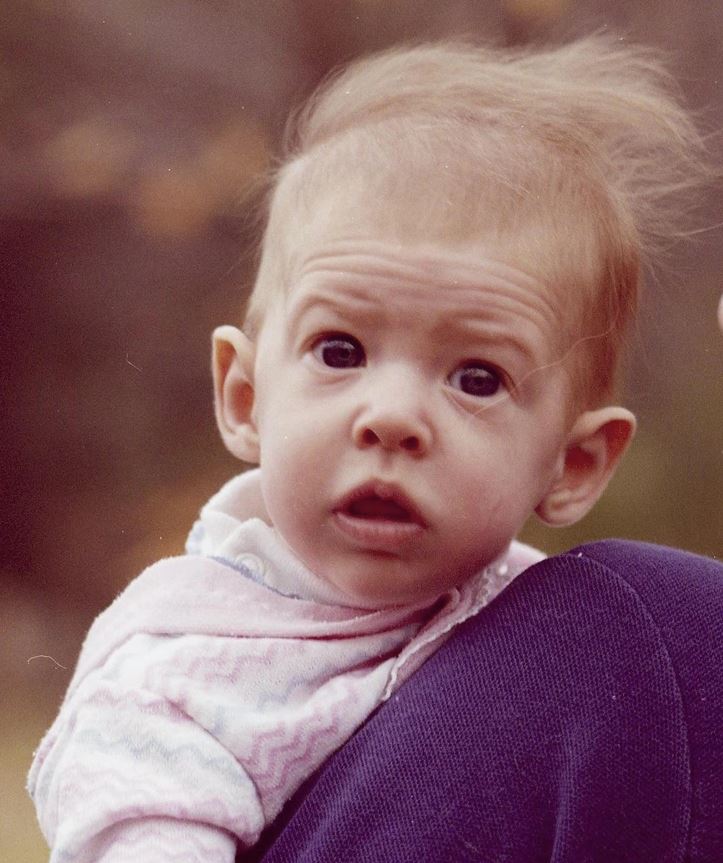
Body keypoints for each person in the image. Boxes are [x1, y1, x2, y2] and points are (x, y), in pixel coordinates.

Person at [28, 35, 713, 862]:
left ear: (573, 464)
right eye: (340, 351)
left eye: (476, 377)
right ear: (245, 398)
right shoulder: (187, 654)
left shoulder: (545, 632)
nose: (390, 417)